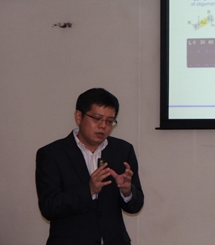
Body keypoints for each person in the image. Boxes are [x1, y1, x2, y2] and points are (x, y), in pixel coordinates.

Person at [35, 88, 144, 245]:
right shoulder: (52, 154)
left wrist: (127, 191)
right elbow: (49, 207)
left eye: (109, 121)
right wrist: (89, 190)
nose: (103, 126)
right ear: (79, 116)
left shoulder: (123, 150)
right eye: (97, 118)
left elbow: (135, 206)